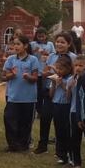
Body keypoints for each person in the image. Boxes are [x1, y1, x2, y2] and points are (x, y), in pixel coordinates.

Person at [39, 33, 77, 155]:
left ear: (68, 44)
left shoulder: (73, 57)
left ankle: (62, 150)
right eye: (57, 42)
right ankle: (43, 145)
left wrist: (58, 74)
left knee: (63, 123)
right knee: (45, 117)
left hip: (66, 92)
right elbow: (47, 72)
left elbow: (74, 74)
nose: (59, 44)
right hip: (51, 89)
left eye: (62, 42)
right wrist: (48, 74)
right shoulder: (51, 56)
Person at [2, 35, 39, 153]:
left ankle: (23, 145)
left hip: (28, 98)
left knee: (26, 122)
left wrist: (28, 77)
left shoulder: (33, 60)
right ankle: (12, 145)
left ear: (25, 46)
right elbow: (4, 76)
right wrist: (11, 75)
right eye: (14, 44)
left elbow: (35, 77)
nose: (15, 46)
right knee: (9, 120)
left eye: (18, 44)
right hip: (13, 97)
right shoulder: (11, 59)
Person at [30, 27, 55, 155]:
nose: (41, 37)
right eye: (39, 35)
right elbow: (29, 52)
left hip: (48, 75)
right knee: (38, 94)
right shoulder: (33, 44)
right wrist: (35, 51)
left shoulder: (50, 45)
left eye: (43, 35)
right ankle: (39, 110)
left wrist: (46, 53)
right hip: (38, 72)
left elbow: (52, 56)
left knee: (46, 94)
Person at [48, 55, 75, 165]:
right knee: (58, 130)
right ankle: (61, 154)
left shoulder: (70, 79)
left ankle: (70, 154)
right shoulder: (55, 77)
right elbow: (51, 95)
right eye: (57, 68)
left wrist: (62, 84)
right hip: (56, 105)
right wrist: (54, 84)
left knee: (66, 130)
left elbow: (69, 95)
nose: (58, 71)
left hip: (66, 106)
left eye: (61, 69)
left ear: (68, 69)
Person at [69, 55, 85, 168]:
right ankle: (76, 161)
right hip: (74, 111)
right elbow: (68, 97)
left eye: (81, 65)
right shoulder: (72, 79)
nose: (78, 68)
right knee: (75, 137)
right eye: (76, 65)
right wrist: (69, 88)